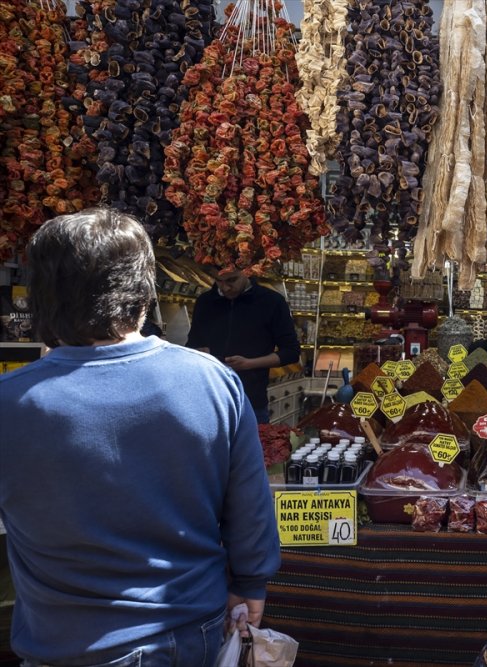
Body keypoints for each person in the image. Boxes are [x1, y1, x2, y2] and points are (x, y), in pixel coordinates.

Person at [0, 208, 281, 666]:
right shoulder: (211, 382)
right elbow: (250, 509)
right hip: (191, 631)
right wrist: (250, 584)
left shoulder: (11, 401)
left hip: (65, 643)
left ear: (44, 297)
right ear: (143, 292)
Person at [187, 265, 301, 423]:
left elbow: (291, 352)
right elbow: (191, 345)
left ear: (247, 272)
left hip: (251, 402)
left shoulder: (271, 301)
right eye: (219, 281)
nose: (225, 287)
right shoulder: (205, 302)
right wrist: (199, 353)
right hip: (209, 400)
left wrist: (249, 364)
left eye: (232, 280)